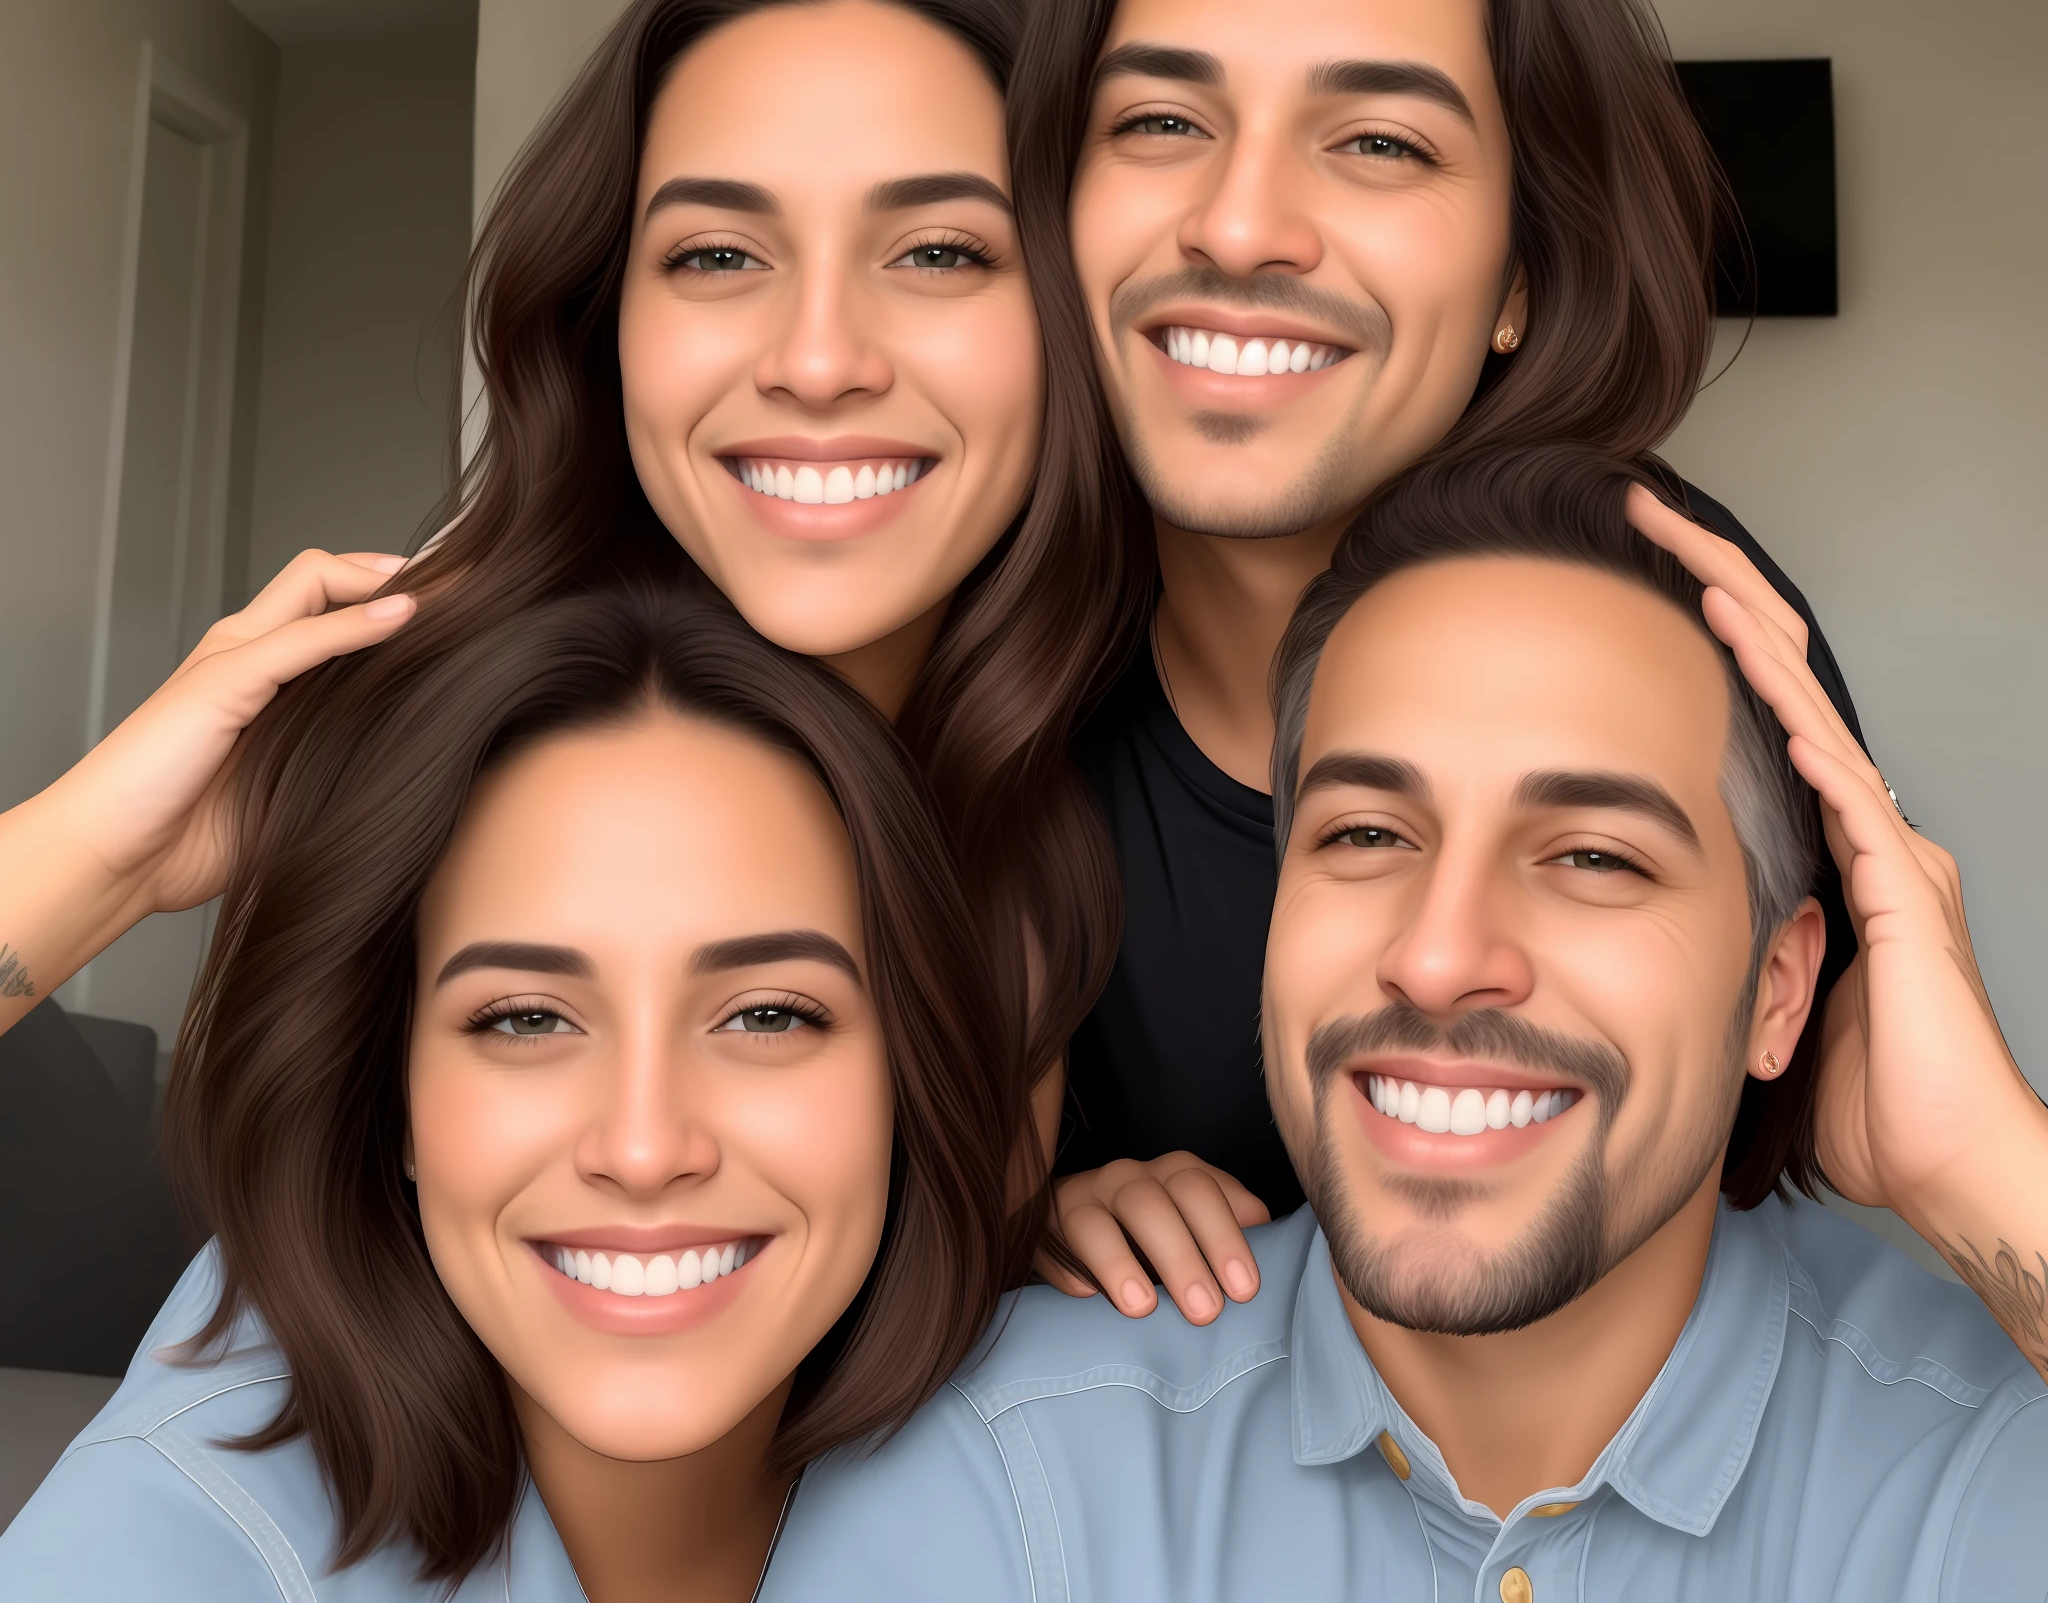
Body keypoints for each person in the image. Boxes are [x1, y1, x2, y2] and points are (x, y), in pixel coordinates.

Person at [761, 446, 2048, 1602]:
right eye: (1366, 834)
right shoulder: (1002, 1469)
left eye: (1592, 855)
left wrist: (1986, 1166)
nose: (1436, 958)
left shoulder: (1983, 1467)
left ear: (1778, 987)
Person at [0, 0, 1141, 1133]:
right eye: (714, 254)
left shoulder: (1179, 778)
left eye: (934, 250)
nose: (817, 359)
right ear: (606, 322)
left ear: (1076, 312)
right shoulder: (466, 725)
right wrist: (116, 855)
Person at [1019, 0, 1872, 1322]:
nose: (1238, 224)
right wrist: (1006, 1237)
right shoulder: (975, 670)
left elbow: (1795, 1226)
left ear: (1518, 280)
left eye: (1379, 145)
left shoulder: (1684, 627)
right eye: (1158, 120)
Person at [0, 584, 1029, 1602]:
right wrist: (97, 860)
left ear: (907, 1073)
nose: (641, 1145)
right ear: (391, 1096)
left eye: (765, 1015)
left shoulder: (1135, 1429)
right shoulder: (173, 1541)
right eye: (526, 1018)